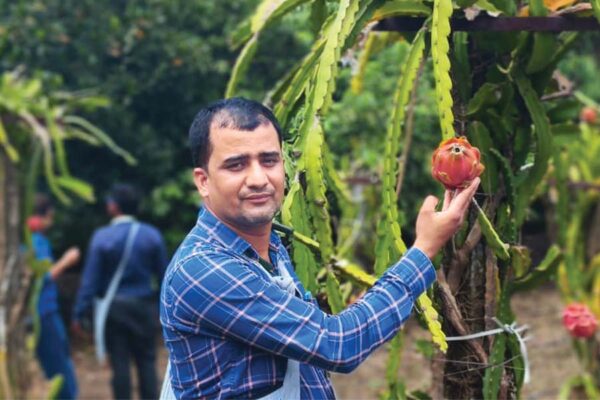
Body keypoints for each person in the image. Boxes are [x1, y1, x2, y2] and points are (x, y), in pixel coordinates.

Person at [160, 98, 480, 399]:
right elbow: (336, 344)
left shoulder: (267, 245)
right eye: (236, 165)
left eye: (269, 160)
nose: (258, 178)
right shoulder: (204, 269)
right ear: (203, 181)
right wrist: (424, 248)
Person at [72, 183, 168, 399]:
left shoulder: (102, 237)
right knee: (147, 361)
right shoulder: (151, 235)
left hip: (113, 309)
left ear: (113, 207)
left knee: (119, 362)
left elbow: (90, 281)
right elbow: (165, 277)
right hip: (143, 306)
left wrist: (79, 312)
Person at [27, 193, 80, 400]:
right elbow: (42, 278)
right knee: (58, 364)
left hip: (43, 311)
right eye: (50, 217)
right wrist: (67, 261)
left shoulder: (34, 240)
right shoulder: (34, 241)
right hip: (42, 313)